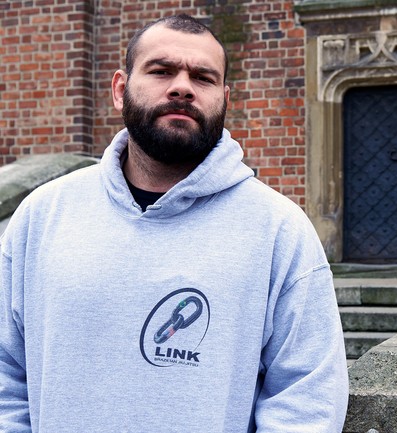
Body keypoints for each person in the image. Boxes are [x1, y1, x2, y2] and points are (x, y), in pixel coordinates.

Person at [0, 14, 348, 432]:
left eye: (202, 77)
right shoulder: (43, 216)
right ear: (119, 89)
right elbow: (6, 372)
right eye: (161, 71)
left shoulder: (277, 230)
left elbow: (307, 396)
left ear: (224, 98)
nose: (182, 86)